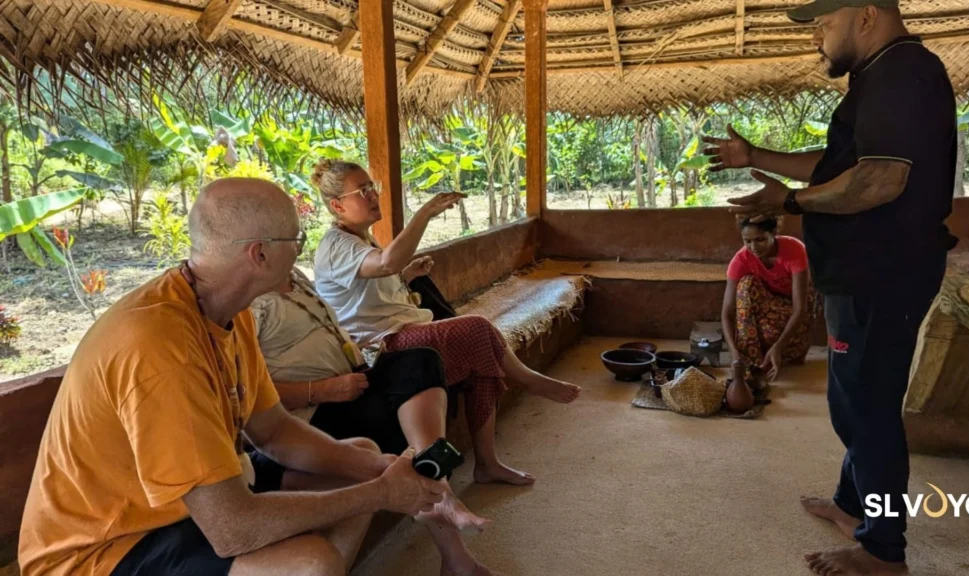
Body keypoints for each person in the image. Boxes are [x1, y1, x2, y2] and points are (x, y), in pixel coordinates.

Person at [18, 178, 446, 576]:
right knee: (308, 563)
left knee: (360, 461)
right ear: (259, 255)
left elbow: (274, 430)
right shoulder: (163, 349)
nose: (302, 252)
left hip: (184, 506)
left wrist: (380, 469)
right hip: (104, 548)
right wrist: (380, 494)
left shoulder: (227, 312)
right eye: (296, 240)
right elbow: (232, 530)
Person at [703, 1, 956, 574]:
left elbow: (881, 178)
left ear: (866, 15)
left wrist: (788, 202)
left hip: (881, 272)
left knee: (866, 409)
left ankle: (883, 552)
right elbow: (841, 166)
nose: (816, 35)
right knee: (854, 399)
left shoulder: (901, 73)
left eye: (824, 22)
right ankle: (851, 505)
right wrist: (756, 158)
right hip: (866, 271)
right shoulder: (881, 74)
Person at [310, 159, 581, 486]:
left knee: (482, 364)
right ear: (337, 205)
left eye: (372, 187)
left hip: (407, 332)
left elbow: (373, 286)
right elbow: (385, 264)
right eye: (362, 191)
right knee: (477, 328)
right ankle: (529, 380)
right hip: (383, 349)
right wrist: (424, 214)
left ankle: (487, 464)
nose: (372, 196)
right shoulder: (335, 245)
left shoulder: (361, 239)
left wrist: (407, 275)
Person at [251, 265, 495, 574]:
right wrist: (321, 390)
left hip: (349, 383)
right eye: (289, 234)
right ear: (259, 249)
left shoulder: (294, 275)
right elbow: (246, 398)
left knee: (421, 361)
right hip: (307, 417)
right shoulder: (247, 302)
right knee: (399, 425)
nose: (298, 239)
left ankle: (441, 488)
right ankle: (452, 538)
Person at [722, 216, 819, 381]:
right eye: (747, 241)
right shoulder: (741, 260)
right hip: (769, 308)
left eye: (760, 240)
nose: (754, 247)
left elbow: (800, 308)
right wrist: (734, 354)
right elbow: (727, 313)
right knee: (746, 285)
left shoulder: (794, 250)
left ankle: (780, 351)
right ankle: (750, 360)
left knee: (776, 339)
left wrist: (779, 347)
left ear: (774, 233)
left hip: (798, 312)